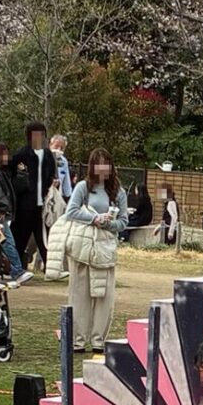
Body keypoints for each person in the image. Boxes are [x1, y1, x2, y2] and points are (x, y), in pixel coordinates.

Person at [64, 147, 129, 352]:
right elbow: (71, 211)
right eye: (98, 163)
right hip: (82, 247)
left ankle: (99, 340)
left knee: (104, 296)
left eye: (106, 163)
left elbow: (124, 222)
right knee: (79, 294)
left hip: (105, 248)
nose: (103, 168)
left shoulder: (118, 192)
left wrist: (108, 224)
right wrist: (94, 218)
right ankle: (78, 340)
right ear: (92, 166)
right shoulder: (83, 187)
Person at [9, 122, 54, 272]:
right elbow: (13, 178)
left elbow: (51, 174)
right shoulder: (21, 154)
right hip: (25, 206)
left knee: (44, 239)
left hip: (43, 205)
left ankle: (50, 268)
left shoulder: (48, 155)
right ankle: (17, 267)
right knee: (20, 238)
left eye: (41, 134)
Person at [0, 142, 27, 280]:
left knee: (4, 241)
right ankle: (17, 270)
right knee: (6, 241)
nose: (6, 157)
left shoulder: (4, 170)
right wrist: (3, 207)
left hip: (3, 211)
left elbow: (20, 186)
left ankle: (14, 269)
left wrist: (22, 172)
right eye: (3, 153)